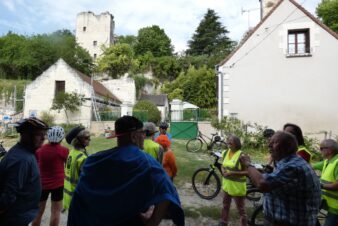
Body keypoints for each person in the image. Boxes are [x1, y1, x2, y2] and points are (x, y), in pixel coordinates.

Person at [67, 115, 184, 226]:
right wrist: (152, 222)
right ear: (133, 136)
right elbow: (168, 191)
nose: (144, 136)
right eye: (142, 133)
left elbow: (79, 197)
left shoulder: (94, 160)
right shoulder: (146, 162)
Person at [240, 131, 321, 226]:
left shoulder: (293, 167)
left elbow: (262, 184)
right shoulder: (287, 162)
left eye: (274, 142)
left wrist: (248, 164)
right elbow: (275, 179)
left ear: (288, 146)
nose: (269, 145)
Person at [0, 117, 49, 226]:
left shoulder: (24, 153)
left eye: (44, 134)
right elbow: (8, 196)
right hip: (13, 219)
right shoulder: (21, 159)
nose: (43, 138)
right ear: (26, 136)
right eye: (39, 134)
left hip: (19, 216)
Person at [32, 126, 69, 226]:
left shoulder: (39, 150)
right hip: (58, 184)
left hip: (41, 184)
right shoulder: (64, 151)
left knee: (38, 212)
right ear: (61, 138)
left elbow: (35, 164)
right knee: (56, 212)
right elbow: (67, 166)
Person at [217, 135, 247, 226]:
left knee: (241, 209)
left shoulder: (242, 155)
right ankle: (223, 222)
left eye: (231, 141)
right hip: (226, 185)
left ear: (236, 143)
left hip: (237, 188)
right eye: (227, 140)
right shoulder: (225, 152)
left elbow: (247, 171)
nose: (228, 142)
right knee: (225, 205)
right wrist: (222, 170)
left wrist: (232, 173)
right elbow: (223, 165)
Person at [63, 126, 90, 210]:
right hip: (78, 197)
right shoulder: (82, 158)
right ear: (77, 140)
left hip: (69, 196)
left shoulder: (72, 152)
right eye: (86, 138)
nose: (89, 140)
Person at [312, 139, 338, 226]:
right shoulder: (327, 161)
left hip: (336, 207)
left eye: (321, 148)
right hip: (327, 202)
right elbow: (310, 166)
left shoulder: (337, 162)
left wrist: (319, 185)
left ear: (329, 150)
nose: (320, 151)